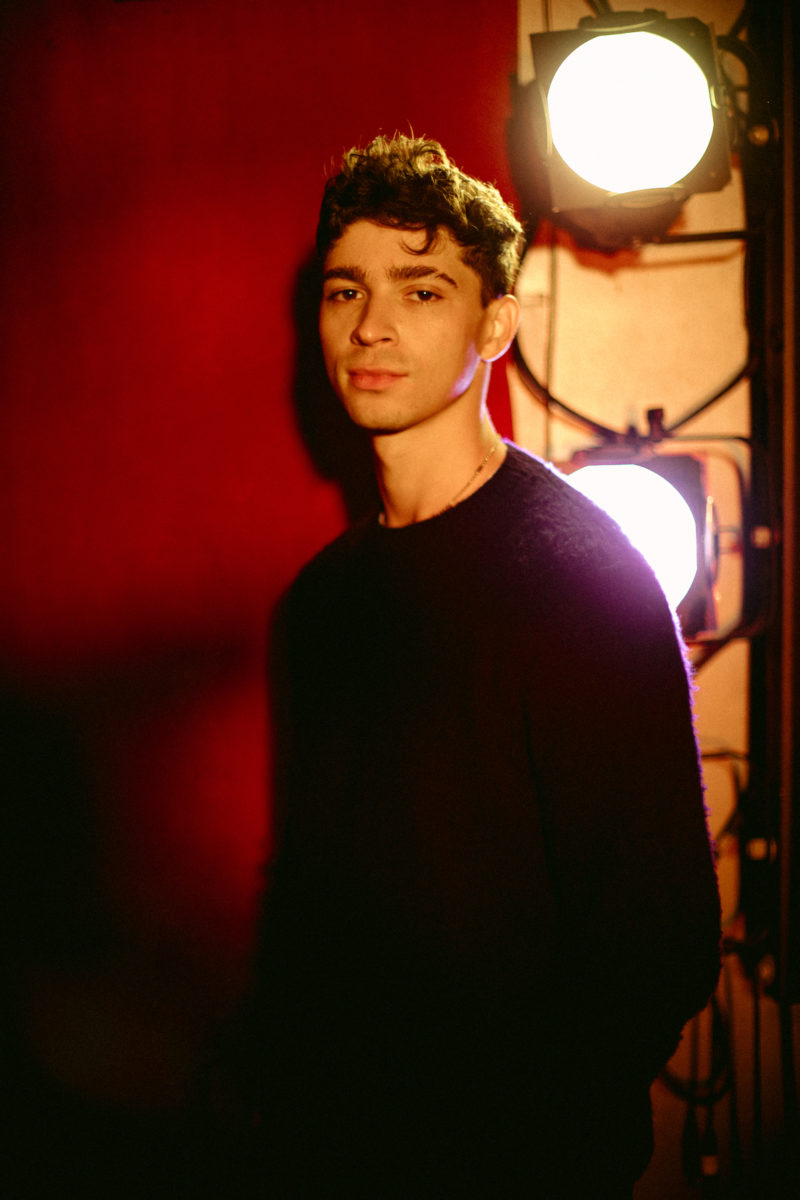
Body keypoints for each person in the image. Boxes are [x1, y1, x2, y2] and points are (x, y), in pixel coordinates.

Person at [250, 134, 721, 1198]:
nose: (370, 325)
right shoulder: (323, 602)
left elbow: (661, 945)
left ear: (493, 326)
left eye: (421, 290)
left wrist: (506, 1146)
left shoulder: (576, 580)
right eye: (344, 289)